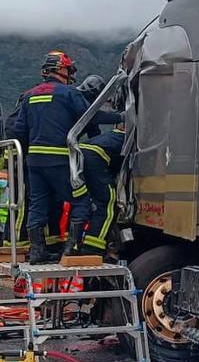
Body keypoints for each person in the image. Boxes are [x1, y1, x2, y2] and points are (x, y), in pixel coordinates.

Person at [9, 50, 91, 264]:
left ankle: (38, 252)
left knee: (38, 203)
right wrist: (120, 117)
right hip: (60, 159)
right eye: (67, 68)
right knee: (81, 200)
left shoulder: (29, 95)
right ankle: (71, 250)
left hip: (34, 162)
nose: (69, 73)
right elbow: (88, 119)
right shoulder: (69, 94)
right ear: (60, 69)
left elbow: (18, 131)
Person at [66, 124, 127, 258]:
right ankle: (93, 247)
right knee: (108, 202)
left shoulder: (110, 136)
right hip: (94, 159)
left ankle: (76, 243)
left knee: (86, 202)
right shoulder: (129, 139)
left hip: (79, 157)